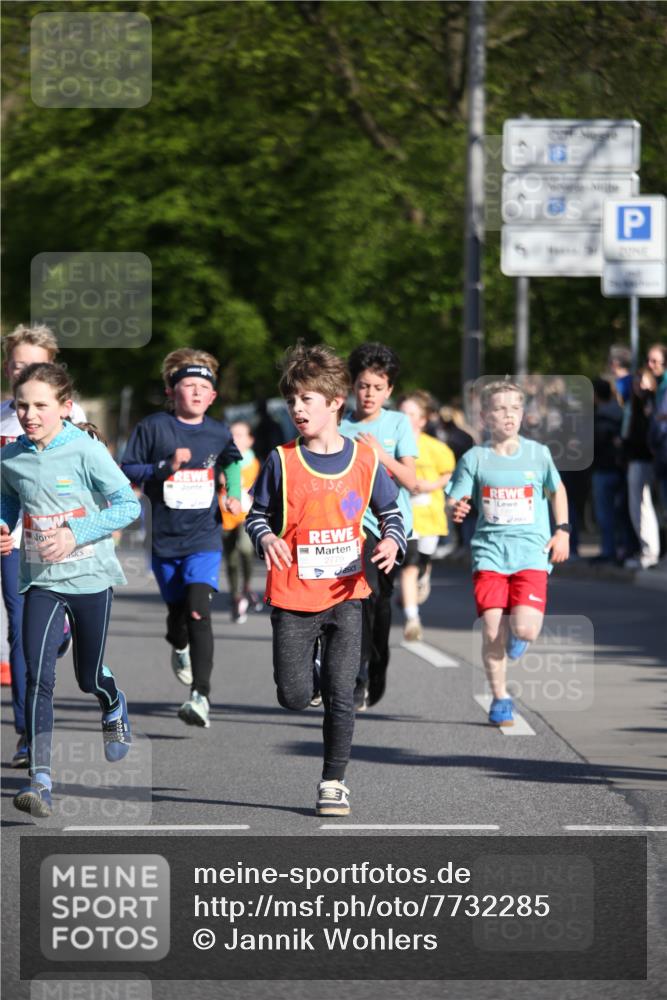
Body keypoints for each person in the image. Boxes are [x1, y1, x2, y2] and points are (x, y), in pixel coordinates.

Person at [245, 343, 406, 816]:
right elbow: (258, 515)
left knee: (342, 695)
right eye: (292, 400)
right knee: (294, 696)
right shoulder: (281, 460)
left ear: (336, 402)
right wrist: (266, 539)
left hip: (346, 595)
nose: (297, 408)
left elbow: (390, 512)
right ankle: (308, 679)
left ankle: (333, 782)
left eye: (307, 399)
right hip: (294, 597)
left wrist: (392, 542)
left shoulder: (364, 460)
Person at [0, 363, 140, 817]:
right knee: (38, 675)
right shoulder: (11, 456)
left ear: (64, 406)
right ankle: (40, 781)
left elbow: (127, 505)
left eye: (41, 405)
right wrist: (3, 524)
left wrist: (75, 533)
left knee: (87, 675)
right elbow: (7, 497)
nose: (29, 414)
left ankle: (113, 702)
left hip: (90, 578)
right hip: (40, 579)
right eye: (22, 405)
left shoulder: (85, 450)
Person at [121, 349, 242, 729]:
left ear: (212, 396)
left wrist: (233, 491)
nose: (194, 392)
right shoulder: (154, 427)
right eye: (187, 385)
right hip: (162, 539)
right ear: (172, 392)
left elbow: (233, 460)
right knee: (177, 619)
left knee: (198, 609)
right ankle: (178, 644)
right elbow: (127, 468)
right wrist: (165, 467)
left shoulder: (219, 431)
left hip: (204, 536)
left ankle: (201, 697)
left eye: (202, 387)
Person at [446, 379, 569, 727]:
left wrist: (563, 531)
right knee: (490, 631)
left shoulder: (537, 454)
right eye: (500, 409)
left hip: (531, 552)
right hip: (490, 554)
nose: (509, 415)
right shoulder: (475, 458)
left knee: (527, 630)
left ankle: (519, 633)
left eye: (515, 408)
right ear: (485, 416)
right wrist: (456, 508)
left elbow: (557, 492)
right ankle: (500, 697)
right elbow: (455, 498)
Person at [1, 324, 86, 769]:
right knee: (19, 629)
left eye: (36, 365)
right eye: (18, 364)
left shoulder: (72, 415)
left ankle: (64, 629)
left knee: (45, 635)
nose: (25, 370)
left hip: (63, 539)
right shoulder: (0, 418)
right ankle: (28, 734)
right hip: (13, 541)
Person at [339, 343, 416, 709]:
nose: (369, 394)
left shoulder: (397, 423)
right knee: (358, 598)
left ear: (389, 391)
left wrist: (379, 455)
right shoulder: (339, 424)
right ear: (353, 385)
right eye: (363, 385)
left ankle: (377, 662)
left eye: (378, 387)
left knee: (379, 603)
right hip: (353, 525)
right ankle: (357, 674)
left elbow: (411, 480)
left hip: (391, 526)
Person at [398, 391, 455, 641]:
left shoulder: (436, 447)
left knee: (421, 562)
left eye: (411, 414)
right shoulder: (391, 445)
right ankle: (413, 619)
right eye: (401, 413)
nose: (405, 418)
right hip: (403, 516)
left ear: (422, 420)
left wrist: (428, 485)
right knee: (408, 567)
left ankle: (425, 574)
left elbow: (448, 474)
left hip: (430, 514)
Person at [220, 421, 261, 623]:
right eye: (232, 434)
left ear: (249, 440)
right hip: (224, 516)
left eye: (240, 435)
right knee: (231, 558)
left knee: (245, 549)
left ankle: (247, 584)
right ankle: (236, 595)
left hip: (245, 517)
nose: (235, 438)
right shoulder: (222, 459)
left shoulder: (255, 464)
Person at [623, 369, 660, 570]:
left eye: (643, 383)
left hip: (646, 460)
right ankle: (645, 549)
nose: (640, 387)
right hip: (635, 459)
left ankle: (650, 551)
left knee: (643, 506)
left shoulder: (651, 402)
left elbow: (648, 433)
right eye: (636, 383)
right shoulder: (633, 405)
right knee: (637, 507)